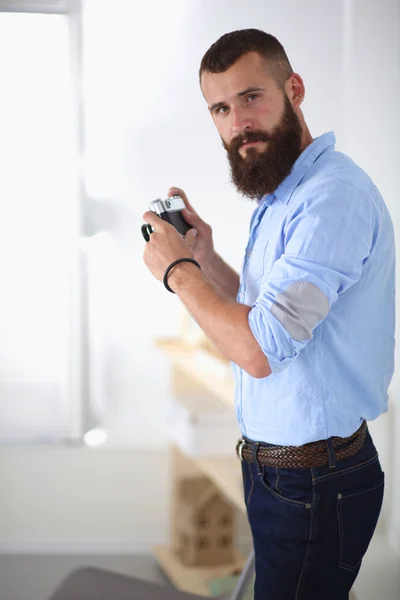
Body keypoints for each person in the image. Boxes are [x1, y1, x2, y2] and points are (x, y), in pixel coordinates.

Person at [142, 28, 395, 600]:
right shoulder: (286, 195)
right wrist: (203, 259)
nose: (239, 123)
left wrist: (176, 271)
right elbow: (268, 315)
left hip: (313, 480)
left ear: (294, 89)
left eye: (252, 97)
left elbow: (258, 350)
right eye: (222, 108)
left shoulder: (331, 198)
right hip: (285, 473)